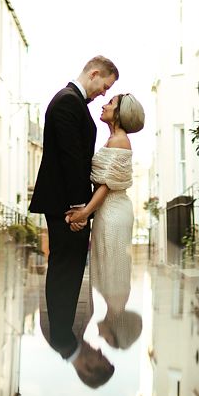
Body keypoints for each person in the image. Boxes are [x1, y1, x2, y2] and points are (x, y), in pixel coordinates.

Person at [27, 55, 118, 362]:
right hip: (66, 203)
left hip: (67, 201)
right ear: (94, 73)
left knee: (68, 268)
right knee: (65, 268)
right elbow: (70, 160)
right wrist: (79, 209)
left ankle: (63, 331)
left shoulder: (71, 101)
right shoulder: (68, 102)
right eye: (104, 86)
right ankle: (62, 336)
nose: (103, 93)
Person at [66, 93, 145, 350]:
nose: (104, 104)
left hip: (113, 214)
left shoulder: (120, 141)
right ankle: (113, 321)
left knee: (114, 270)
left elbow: (106, 186)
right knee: (108, 268)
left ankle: (115, 324)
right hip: (107, 212)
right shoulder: (113, 139)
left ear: (120, 113)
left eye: (110, 103)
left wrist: (84, 212)